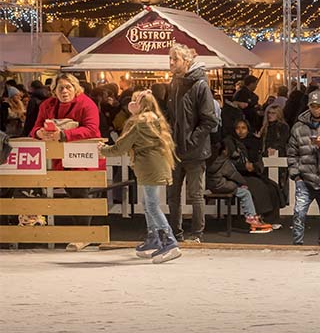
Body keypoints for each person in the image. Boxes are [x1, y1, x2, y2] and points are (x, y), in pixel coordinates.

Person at [98, 90, 181, 263]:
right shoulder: (153, 119)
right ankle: (154, 238)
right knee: (148, 202)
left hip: (150, 166)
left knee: (151, 205)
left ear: (141, 105)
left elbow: (121, 146)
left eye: (135, 101)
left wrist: (102, 150)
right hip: (155, 165)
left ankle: (169, 240)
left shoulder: (141, 123)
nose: (131, 104)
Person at [29, 73, 104, 251]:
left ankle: (82, 236)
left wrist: (64, 134)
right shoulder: (47, 105)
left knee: (79, 193)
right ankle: (73, 234)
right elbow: (35, 128)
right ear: (54, 90)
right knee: (69, 194)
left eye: (68, 87)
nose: (64, 91)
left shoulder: (87, 104)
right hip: (58, 158)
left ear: (76, 88)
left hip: (84, 158)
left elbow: (92, 130)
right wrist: (40, 133)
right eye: (60, 87)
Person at [165, 44, 219, 244]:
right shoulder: (174, 83)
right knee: (172, 195)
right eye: (170, 58)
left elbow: (210, 119)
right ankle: (175, 233)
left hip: (194, 152)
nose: (171, 62)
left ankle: (196, 234)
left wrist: (192, 140)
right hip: (176, 149)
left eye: (175, 59)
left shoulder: (200, 85)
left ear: (186, 61)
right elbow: (172, 116)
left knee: (195, 194)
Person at [287, 90, 320, 245]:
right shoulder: (298, 127)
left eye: (318, 105)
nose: (315, 108)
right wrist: (296, 174)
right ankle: (297, 245)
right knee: (299, 213)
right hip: (305, 177)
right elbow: (291, 152)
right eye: (312, 105)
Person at [227, 119, 283, 227]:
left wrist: (254, 167)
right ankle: (260, 218)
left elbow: (258, 160)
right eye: (238, 128)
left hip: (254, 173)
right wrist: (244, 167)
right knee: (258, 188)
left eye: (243, 128)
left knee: (272, 187)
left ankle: (272, 220)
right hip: (238, 175)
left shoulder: (253, 142)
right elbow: (229, 162)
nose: (241, 131)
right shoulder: (230, 142)